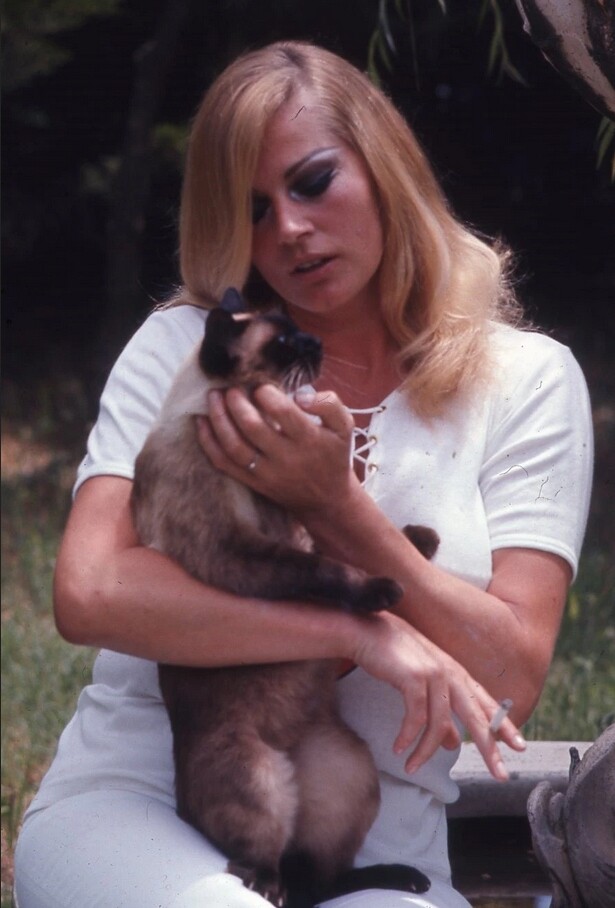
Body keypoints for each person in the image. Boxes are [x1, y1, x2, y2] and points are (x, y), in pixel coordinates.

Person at [13, 40, 593, 908]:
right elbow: (90, 593)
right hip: (139, 804)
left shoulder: (526, 379)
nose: (286, 229)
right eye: (252, 210)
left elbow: (507, 683)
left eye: (312, 182)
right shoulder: (187, 349)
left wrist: (335, 506)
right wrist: (355, 635)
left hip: (366, 837)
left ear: (383, 165)